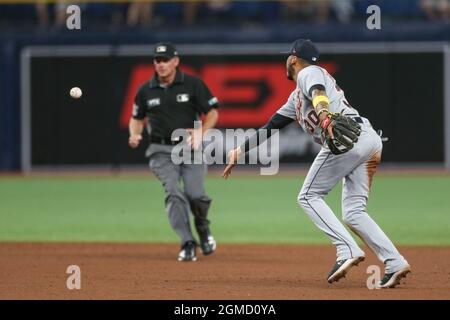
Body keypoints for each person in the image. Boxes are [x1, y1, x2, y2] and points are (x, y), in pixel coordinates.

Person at [223, 39, 411, 288]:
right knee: (354, 212)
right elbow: (271, 127)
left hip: (345, 138)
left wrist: (323, 115)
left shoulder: (309, 72)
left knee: (308, 196)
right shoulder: (295, 99)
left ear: (292, 59)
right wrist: (239, 150)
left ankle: (346, 250)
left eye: (287, 57)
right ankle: (395, 261)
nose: (286, 61)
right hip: (367, 139)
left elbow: (318, 92)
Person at [129, 42, 219, 262]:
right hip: (160, 150)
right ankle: (187, 241)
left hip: (190, 148)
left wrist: (202, 132)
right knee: (173, 192)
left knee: (196, 195)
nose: (161, 65)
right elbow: (137, 117)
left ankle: (202, 227)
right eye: (157, 60)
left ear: (175, 61)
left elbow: (213, 112)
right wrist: (135, 134)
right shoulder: (145, 89)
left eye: (165, 60)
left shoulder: (193, 84)